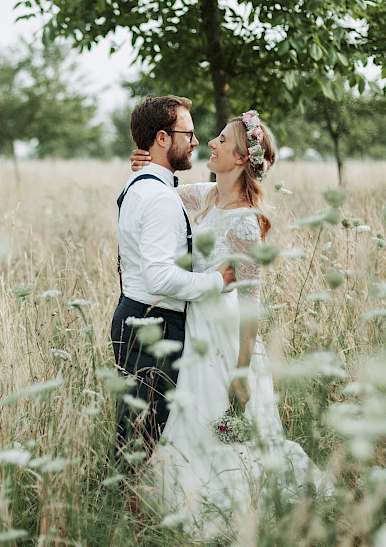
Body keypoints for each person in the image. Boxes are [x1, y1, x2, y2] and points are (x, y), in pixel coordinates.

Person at [130, 111, 330, 535]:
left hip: (225, 338)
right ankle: (190, 496)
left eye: (221, 140)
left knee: (224, 426)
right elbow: (164, 192)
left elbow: (252, 303)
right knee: (191, 419)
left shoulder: (245, 223)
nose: (211, 143)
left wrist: (242, 369)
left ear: (240, 158)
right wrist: (146, 165)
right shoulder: (206, 197)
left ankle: (237, 506)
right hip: (195, 329)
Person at [110, 95, 235, 476]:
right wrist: (217, 281)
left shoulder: (141, 185)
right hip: (154, 326)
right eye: (188, 134)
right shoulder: (160, 198)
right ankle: (121, 505)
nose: (196, 142)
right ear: (162, 138)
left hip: (137, 316)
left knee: (137, 433)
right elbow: (160, 277)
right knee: (140, 440)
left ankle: (127, 500)